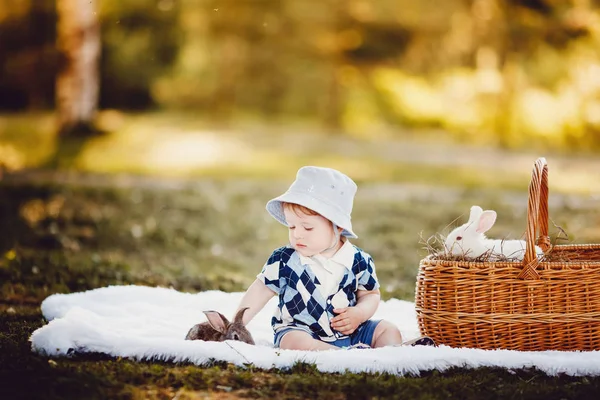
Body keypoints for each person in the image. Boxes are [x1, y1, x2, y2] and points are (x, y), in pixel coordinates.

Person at [235, 166, 435, 350]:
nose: (297, 234)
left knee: (388, 330)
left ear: (338, 227)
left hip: (350, 332)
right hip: (301, 330)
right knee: (294, 342)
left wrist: (359, 314)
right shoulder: (284, 259)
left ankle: (392, 353)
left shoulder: (358, 260)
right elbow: (260, 290)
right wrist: (234, 323)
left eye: (308, 227)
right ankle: (347, 356)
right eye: (291, 226)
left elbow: (370, 295)